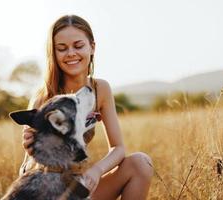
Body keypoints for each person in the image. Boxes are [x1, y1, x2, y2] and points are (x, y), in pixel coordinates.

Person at [21, 14, 153, 199]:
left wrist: (97, 171)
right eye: (61, 48)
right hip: (47, 190)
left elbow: (118, 148)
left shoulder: (100, 89)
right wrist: (32, 150)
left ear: (92, 47)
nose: (71, 53)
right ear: (53, 53)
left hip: (80, 186)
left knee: (140, 163)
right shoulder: (44, 97)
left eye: (78, 45)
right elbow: (28, 167)